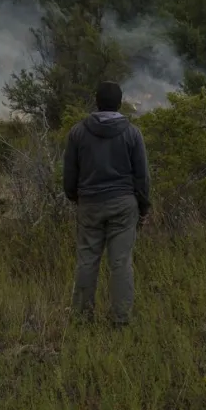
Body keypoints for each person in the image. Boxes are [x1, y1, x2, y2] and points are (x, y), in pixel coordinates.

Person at [63, 81, 151, 326]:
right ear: (120, 103)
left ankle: (81, 319)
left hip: (89, 204)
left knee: (87, 261)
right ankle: (121, 320)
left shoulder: (78, 132)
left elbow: (69, 174)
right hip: (124, 205)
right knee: (121, 263)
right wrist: (143, 208)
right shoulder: (132, 133)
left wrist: (76, 198)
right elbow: (142, 176)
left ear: (96, 101)